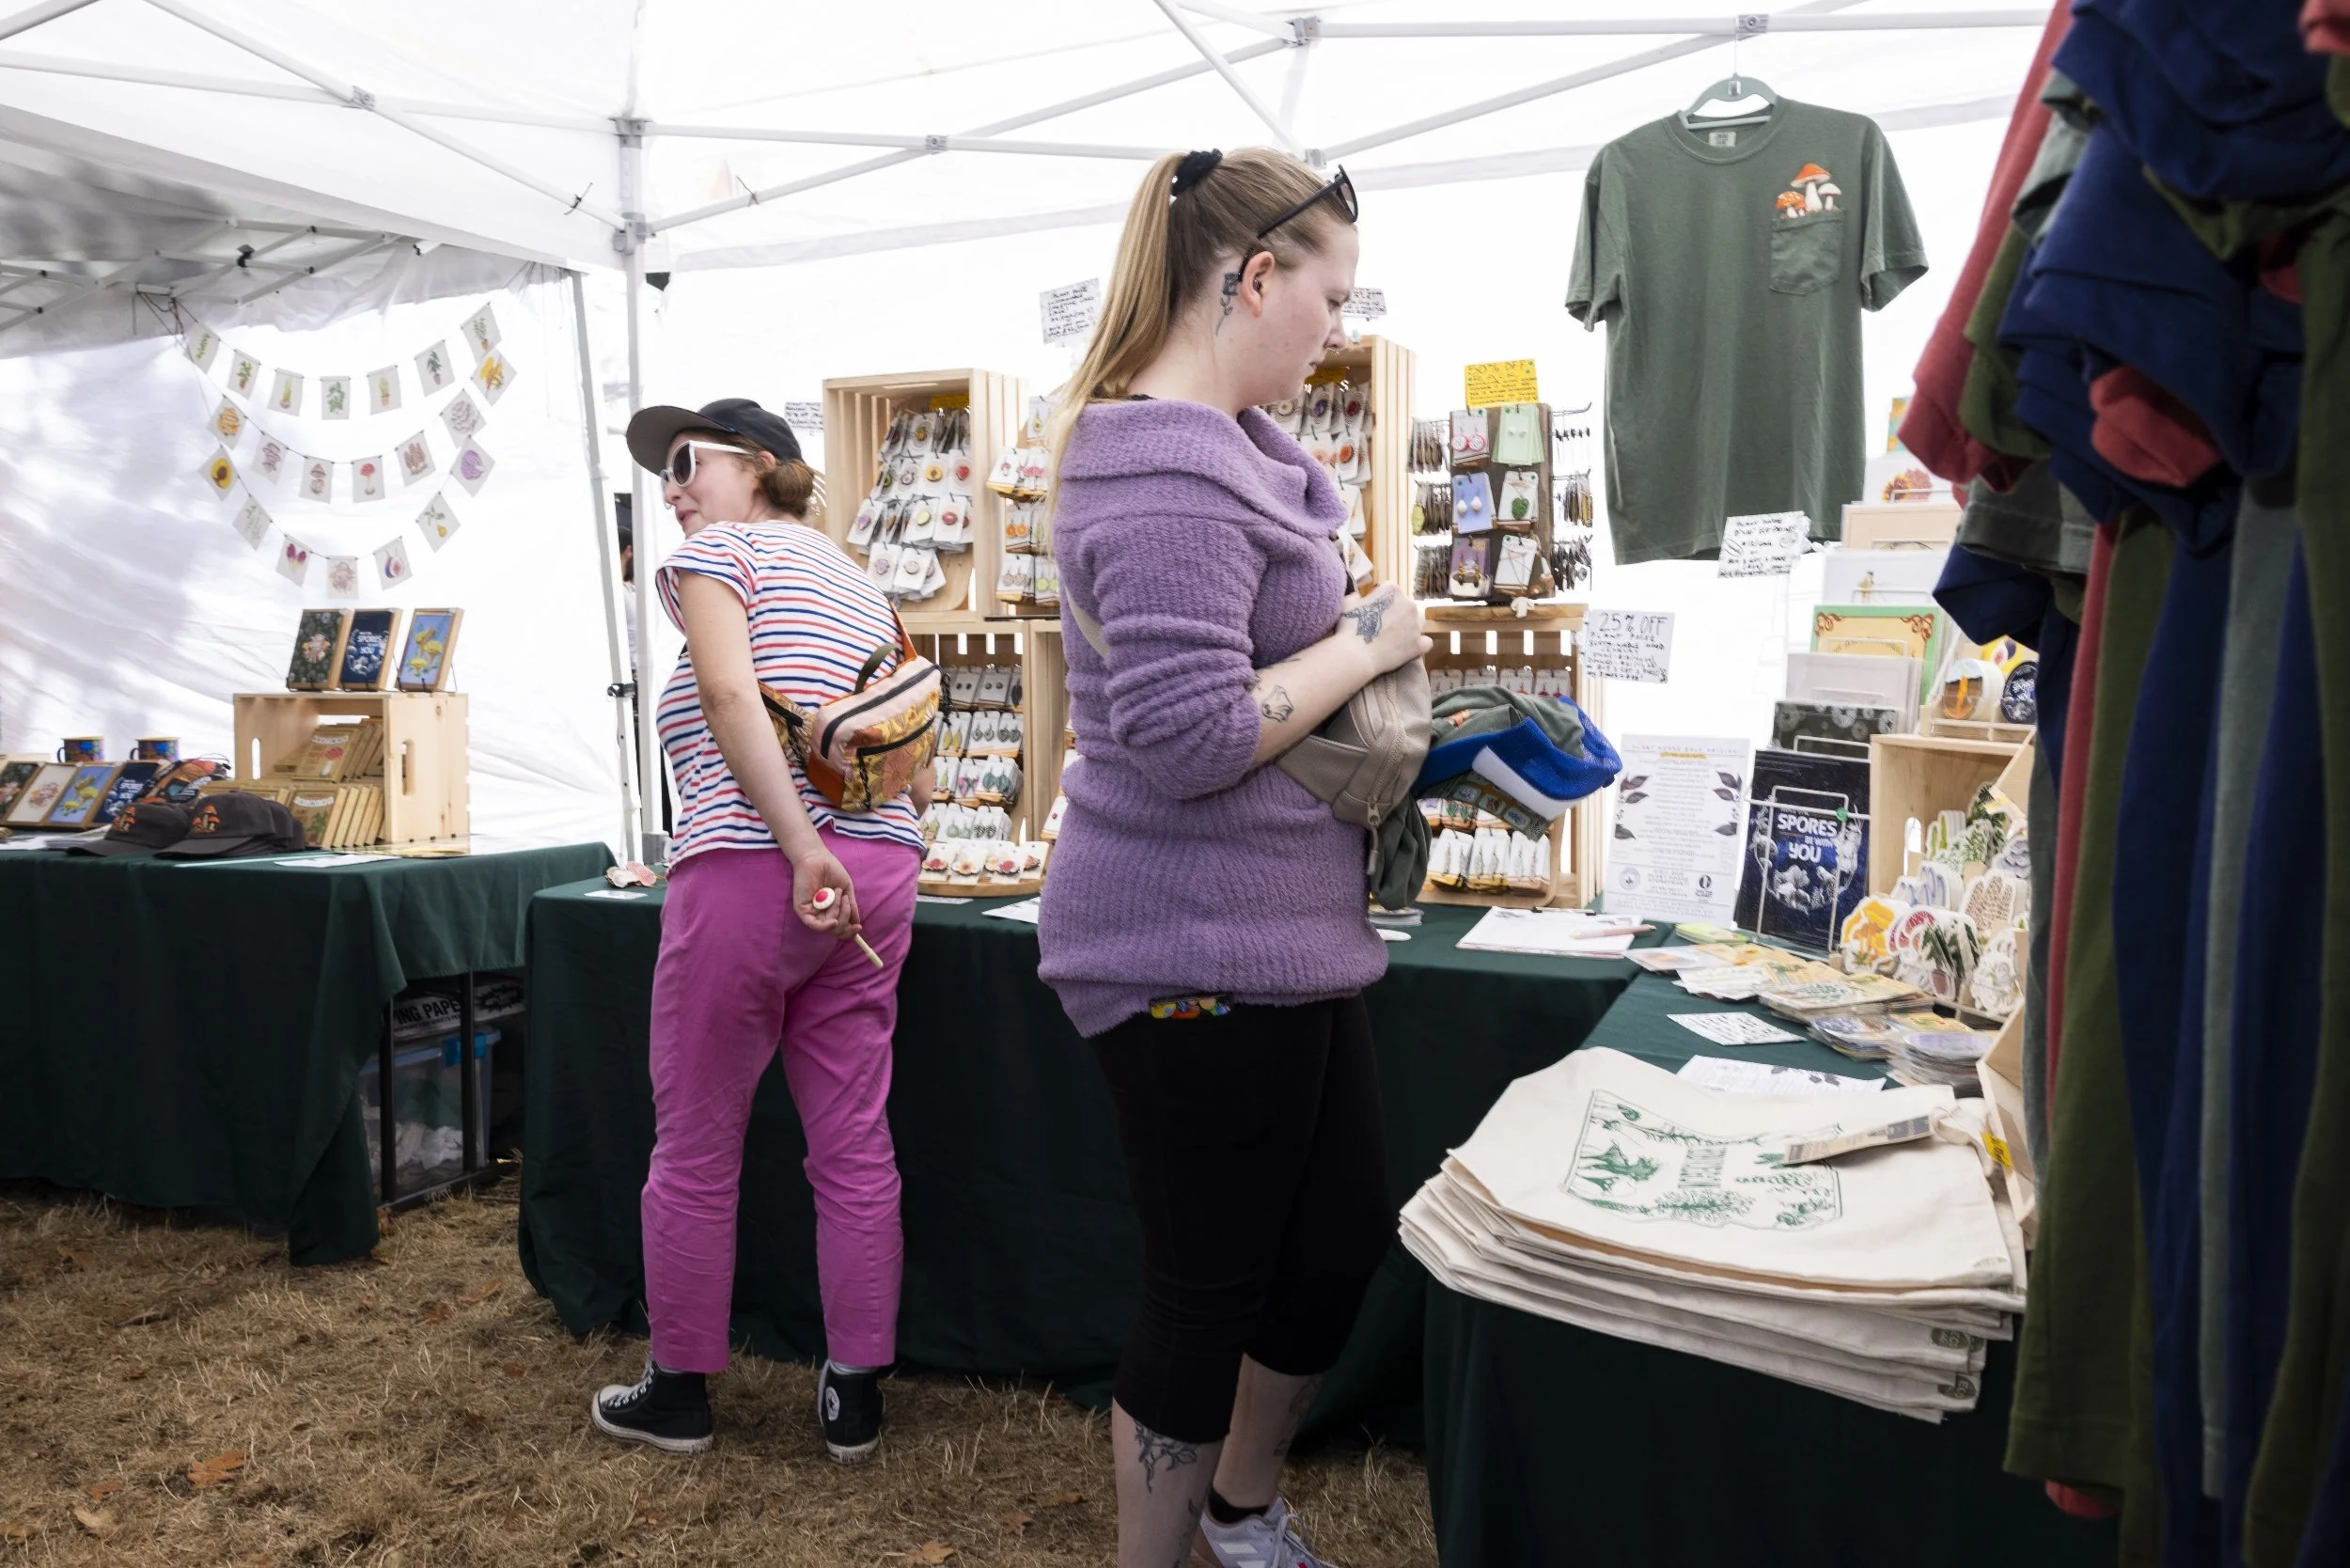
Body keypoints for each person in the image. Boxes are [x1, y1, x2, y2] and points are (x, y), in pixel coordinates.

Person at [1036, 149, 1428, 1568]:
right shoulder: (1157, 471)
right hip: (1181, 947)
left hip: (1280, 935)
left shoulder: (1239, 458)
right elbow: (1196, 736)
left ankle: (1239, 1511)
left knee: (1331, 1245)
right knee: (1210, 1284)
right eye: (1329, 296)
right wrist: (1365, 645)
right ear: (1254, 277)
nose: (1337, 331)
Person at [590, 397, 927, 1464]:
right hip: (882, 868)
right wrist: (834, 851)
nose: (673, 488)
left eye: (690, 462)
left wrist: (797, 846)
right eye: (664, 473)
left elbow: (732, 694)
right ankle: (855, 1389)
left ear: (765, 467)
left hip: (757, 865)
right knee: (851, 1134)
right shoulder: (859, 579)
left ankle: (680, 1389)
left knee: (695, 1140)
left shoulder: (724, 556)